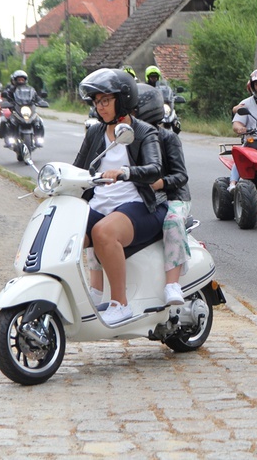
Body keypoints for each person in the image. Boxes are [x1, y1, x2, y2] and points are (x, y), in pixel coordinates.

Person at [74, 68, 167, 325]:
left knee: (103, 232)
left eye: (106, 100)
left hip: (139, 204)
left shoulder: (144, 131)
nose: (100, 107)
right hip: (101, 205)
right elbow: (79, 169)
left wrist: (125, 172)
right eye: (96, 101)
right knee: (66, 232)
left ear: (122, 99)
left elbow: (154, 169)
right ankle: (76, 295)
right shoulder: (94, 132)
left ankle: (120, 304)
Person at [87, 83, 189, 306]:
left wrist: (158, 183)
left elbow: (180, 176)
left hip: (170, 196)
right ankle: (96, 286)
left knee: (172, 222)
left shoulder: (164, 137)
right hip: (143, 191)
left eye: (133, 112)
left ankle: (172, 283)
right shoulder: (122, 133)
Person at [0, 70, 44, 147]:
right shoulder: (11, 90)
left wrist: (40, 101)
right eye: (19, 79)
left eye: (22, 79)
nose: (20, 81)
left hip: (29, 109)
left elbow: (36, 97)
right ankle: (8, 138)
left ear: (25, 80)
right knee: (5, 121)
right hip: (16, 109)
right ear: (15, 80)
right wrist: (6, 102)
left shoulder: (30, 89)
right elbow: (6, 96)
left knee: (39, 121)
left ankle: (38, 139)